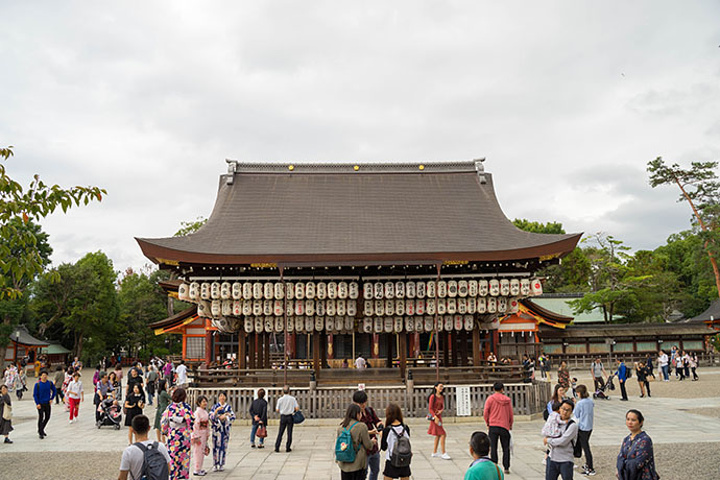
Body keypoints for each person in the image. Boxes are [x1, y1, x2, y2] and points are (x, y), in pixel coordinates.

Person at [118, 414, 171, 480]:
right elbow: (169, 469)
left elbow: (122, 477)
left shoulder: (129, 451)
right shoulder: (161, 447)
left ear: (133, 431)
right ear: (149, 428)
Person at [161, 387, 195, 480]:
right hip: (184, 436)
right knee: (184, 458)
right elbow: (192, 420)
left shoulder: (169, 408)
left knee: (173, 458)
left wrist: (165, 431)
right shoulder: (186, 407)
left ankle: (173, 476)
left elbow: (163, 422)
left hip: (173, 436)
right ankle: (183, 476)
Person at [336, 403, 376, 480]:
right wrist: (373, 442)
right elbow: (368, 445)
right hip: (358, 463)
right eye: (360, 413)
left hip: (344, 463)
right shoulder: (361, 426)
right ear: (357, 414)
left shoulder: (341, 427)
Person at [617, 410, 659, 480]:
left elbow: (638, 463)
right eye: (628, 419)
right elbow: (620, 458)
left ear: (641, 422)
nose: (630, 422)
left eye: (633, 420)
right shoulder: (626, 439)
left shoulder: (645, 440)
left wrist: (623, 464)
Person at [543, 400, 578, 480]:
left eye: (567, 410)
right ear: (559, 409)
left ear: (571, 412)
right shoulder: (554, 421)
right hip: (552, 458)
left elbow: (563, 441)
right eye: (563, 409)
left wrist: (548, 440)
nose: (564, 412)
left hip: (565, 460)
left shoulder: (572, 426)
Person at [483, 382, 513, 475]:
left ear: (493, 389)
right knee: (506, 448)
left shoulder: (490, 399)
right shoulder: (507, 400)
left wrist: (487, 422)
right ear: (502, 389)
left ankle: (494, 465)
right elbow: (510, 413)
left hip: (493, 425)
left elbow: (486, 412)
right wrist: (510, 424)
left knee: (493, 447)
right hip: (504, 426)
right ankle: (506, 467)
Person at [353, 390, 383, 480]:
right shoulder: (354, 414)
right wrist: (370, 432)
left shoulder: (369, 410)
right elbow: (355, 430)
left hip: (374, 447)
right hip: (363, 449)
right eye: (360, 403)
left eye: (364, 402)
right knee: (363, 473)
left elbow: (377, 421)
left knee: (375, 470)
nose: (363, 405)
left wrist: (380, 427)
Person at [210, 391, 236, 471]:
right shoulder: (215, 407)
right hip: (216, 430)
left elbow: (233, 416)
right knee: (215, 447)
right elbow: (211, 416)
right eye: (220, 396)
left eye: (223, 396)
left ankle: (221, 464)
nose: (222, 398)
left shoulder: (228, 407)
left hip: (224, 430)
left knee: (223, 447)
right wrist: (218, 416)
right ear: (218, 397)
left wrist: (226, 417)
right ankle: (215, 464)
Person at [573, 385, 596, 476]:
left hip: (582, 426)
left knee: (586, 448)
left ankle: (590, 467)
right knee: (584, 445)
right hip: (589, 426)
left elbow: (576, 415)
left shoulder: (580, 403)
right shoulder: (590, 401)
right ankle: (587, 464)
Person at [427, 382, 450, 460]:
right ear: (435, 387)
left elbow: (442, 406)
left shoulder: (441, 396)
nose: (441, 388)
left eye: (442, 387)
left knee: (438, 435)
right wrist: (434, 416)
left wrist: (441, 411)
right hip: (434, 418)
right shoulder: (433, 397)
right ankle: (443, 452)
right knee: (443, 434)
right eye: (440, 386)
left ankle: (434, 452)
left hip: (439, 416)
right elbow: (430, 408)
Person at [274, 385, 299, 453]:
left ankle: (277, 447)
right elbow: (297, 408)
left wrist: (282, 410)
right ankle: (288, 447)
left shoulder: (280, 400)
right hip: (290, 416)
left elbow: (277, 409)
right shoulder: (292, 399)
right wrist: (292, 409)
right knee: (289, 432)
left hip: (283, 416)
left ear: (282, 392)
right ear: (289, 391)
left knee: (280, 432)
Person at [33, 370, 56, 439]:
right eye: (43, 375)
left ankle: (41, 429)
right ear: (40, 376)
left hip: (47, 402)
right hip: (40, 403)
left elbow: (54, 391)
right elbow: (35, 395)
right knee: (41, 417)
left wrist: (51, 398)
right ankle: (41, 432)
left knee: (47, 416)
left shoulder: (50, 383)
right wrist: (37, 403)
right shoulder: (37, 385)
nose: (44, 376)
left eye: (45, 375)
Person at [191, 395, 210, 476]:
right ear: (199, 403)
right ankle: (196, 469)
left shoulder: (204, 412)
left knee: (201, 451)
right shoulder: (197, 413)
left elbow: (207, 424)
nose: (205, 403)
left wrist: (207, 433)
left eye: (205, 401)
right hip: (199, 433)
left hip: (203, 432)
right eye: (203, 402)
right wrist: (195, 436)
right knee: (197, 452)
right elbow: (196, 425)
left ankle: (200, 468)